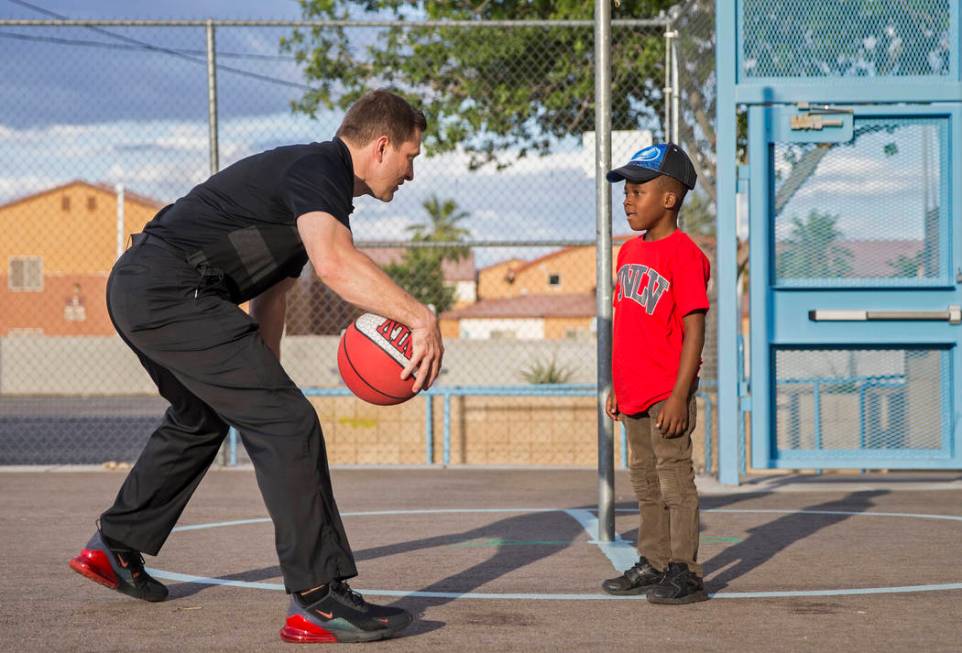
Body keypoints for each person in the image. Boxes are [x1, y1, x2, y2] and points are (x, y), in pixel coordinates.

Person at [69, 89, 444, 643]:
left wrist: (264, 386)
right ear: (382, 145)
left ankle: (114, 548)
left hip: (146, 287)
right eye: (412, 156)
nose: (411, 172)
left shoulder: (309, 185)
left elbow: (271, 296)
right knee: (290, 423)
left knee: (202, 419)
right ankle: (321, 599)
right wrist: (421, 319)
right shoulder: (321, 167)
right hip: (170, 288)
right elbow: (336, 264)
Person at [600, 143, 710, 604]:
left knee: (674, 481)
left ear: (669, 198)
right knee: (644, 481)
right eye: (626, 191)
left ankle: (685, 570)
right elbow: (625, 326)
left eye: (638, 191)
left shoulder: (685, 256)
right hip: (633, 392)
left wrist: (680, 395)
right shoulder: (628, 253)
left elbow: (693, 332)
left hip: (667, 393)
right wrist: (615, 386)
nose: (628, 199)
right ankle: (655, 560)